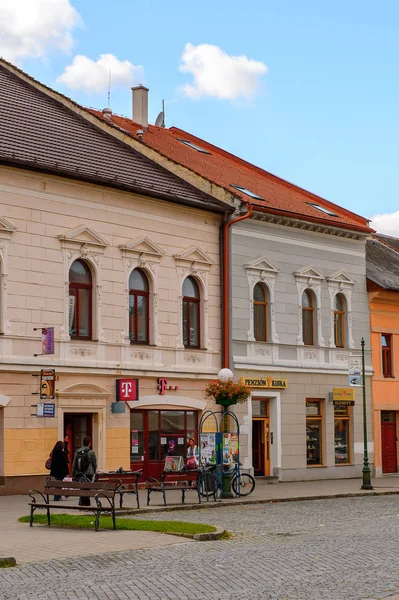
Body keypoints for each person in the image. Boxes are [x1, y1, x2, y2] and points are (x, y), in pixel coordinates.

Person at [72, 435, 97, 506]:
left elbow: (74, 464)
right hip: (89, 473)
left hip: (79, 473)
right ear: (89, 443)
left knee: (82, 487)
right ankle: (86, 502)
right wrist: (94, 472)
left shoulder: (77, 452)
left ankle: (82, 501)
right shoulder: (91, 452)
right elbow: (94, 463)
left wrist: (73, 474)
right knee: (87, 488)